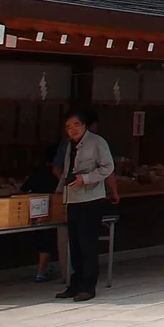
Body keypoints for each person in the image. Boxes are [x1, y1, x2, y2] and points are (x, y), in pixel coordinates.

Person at [56, 110, 114, 303]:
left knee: (87, 244)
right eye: (68, 127)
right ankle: (75, 284)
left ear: (84, 125)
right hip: (72, 198)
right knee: (74, 244)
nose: (72, 130)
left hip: (91, 198)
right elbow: (65, 172)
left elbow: (108, 167)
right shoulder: (69, 146)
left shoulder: (97, 142)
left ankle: (88, 287)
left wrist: (86, 178)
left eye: (75, 125)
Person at [20, 147, 60, 284]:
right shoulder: (59, 173)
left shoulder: (39, 171)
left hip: (36, 207)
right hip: (52, 206)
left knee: (43, 239)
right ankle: (42, 271)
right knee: (47, 239)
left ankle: (42, 270)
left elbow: (24, 188)